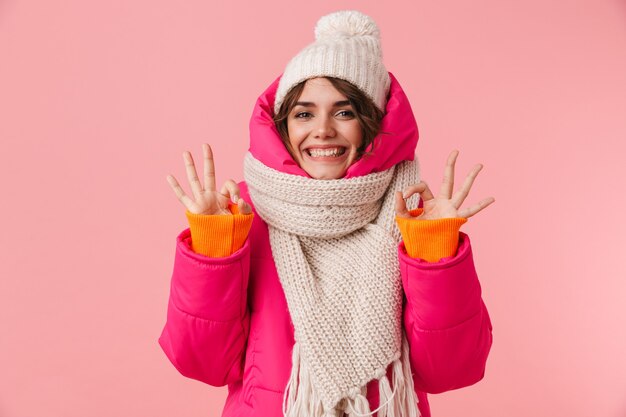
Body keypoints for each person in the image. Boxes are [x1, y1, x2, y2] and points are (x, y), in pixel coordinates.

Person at [159, 10, 494, 417]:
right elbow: (203, 363)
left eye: (344, 112)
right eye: (303, 113)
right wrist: (213, 248)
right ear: (282, 127)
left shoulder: (414, 219)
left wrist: (436, 254)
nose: (322, 130)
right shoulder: (242, 215)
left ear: (373, 125)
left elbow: (450, 372)